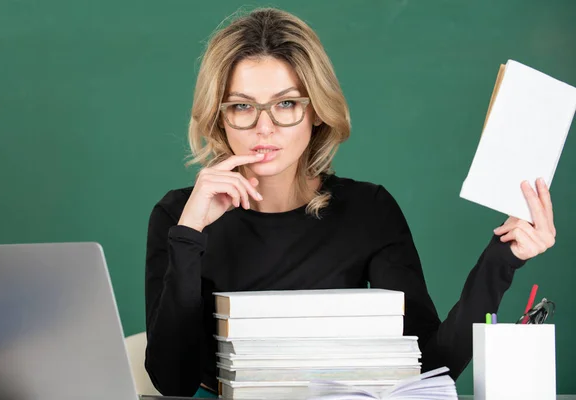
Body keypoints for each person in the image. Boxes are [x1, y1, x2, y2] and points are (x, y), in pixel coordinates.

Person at [144, 7, 557, 397]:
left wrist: (501, 258)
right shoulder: (179, 215)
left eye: (286, 103)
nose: (263, 127)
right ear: (219, 116)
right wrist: (189, 234)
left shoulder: (369, 211)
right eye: (241, 107)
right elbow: (173, 383)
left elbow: (430, 368)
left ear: (316, 111)